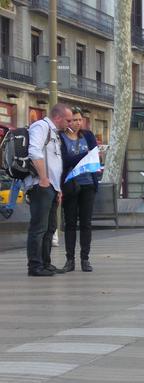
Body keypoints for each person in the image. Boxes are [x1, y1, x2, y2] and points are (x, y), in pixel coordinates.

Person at [24, 103, 71, 276]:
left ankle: (46, 263)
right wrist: (43, 178)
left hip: (52, 186)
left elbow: (54, 162)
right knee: (39, 227)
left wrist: (58, 189)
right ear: (58, 117)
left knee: (50, 228)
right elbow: (34, 152)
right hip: (40, 185)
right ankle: (35, 266)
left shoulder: (55, 134)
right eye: (68, 120)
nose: (70, 123)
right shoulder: (41, 127)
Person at [60, 109, 100, 272]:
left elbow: (95, 156)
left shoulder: (88, 136)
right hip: (70, 185)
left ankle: (85, 259)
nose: (76, 123)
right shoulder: (60, 138)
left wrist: (87, 156)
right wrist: (85, 155)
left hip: (88, 184)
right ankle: (70, 260)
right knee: (70, 223)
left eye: (78, 120)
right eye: (72, 120)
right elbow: (64, 160)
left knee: (86, 223)